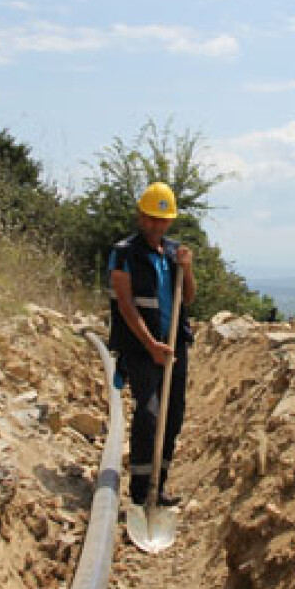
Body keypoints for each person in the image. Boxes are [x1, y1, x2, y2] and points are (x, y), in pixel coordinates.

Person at [107, 181, 195, 507]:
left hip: (175, 344)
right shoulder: (124, 253)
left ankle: (159, 485)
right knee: (149, 414)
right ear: (141, 216)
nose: (157, 225)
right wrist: (151, 345)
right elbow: (126, 306)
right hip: (141, 347)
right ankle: (141, 490)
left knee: (173, 416)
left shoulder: (173, 252)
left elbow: (188, 297)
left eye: (163, 220)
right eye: (151, 219)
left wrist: (187, 270)